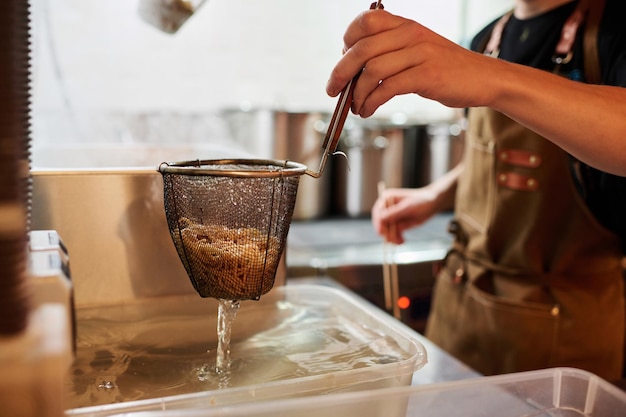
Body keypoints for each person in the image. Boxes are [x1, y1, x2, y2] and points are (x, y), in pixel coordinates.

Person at [326, 0, 626, 381]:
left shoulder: (611, 28)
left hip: (558, 340)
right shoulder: (490, 36)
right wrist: (436, 195)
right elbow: (501, 156)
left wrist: (490, 77)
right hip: (460, 311)